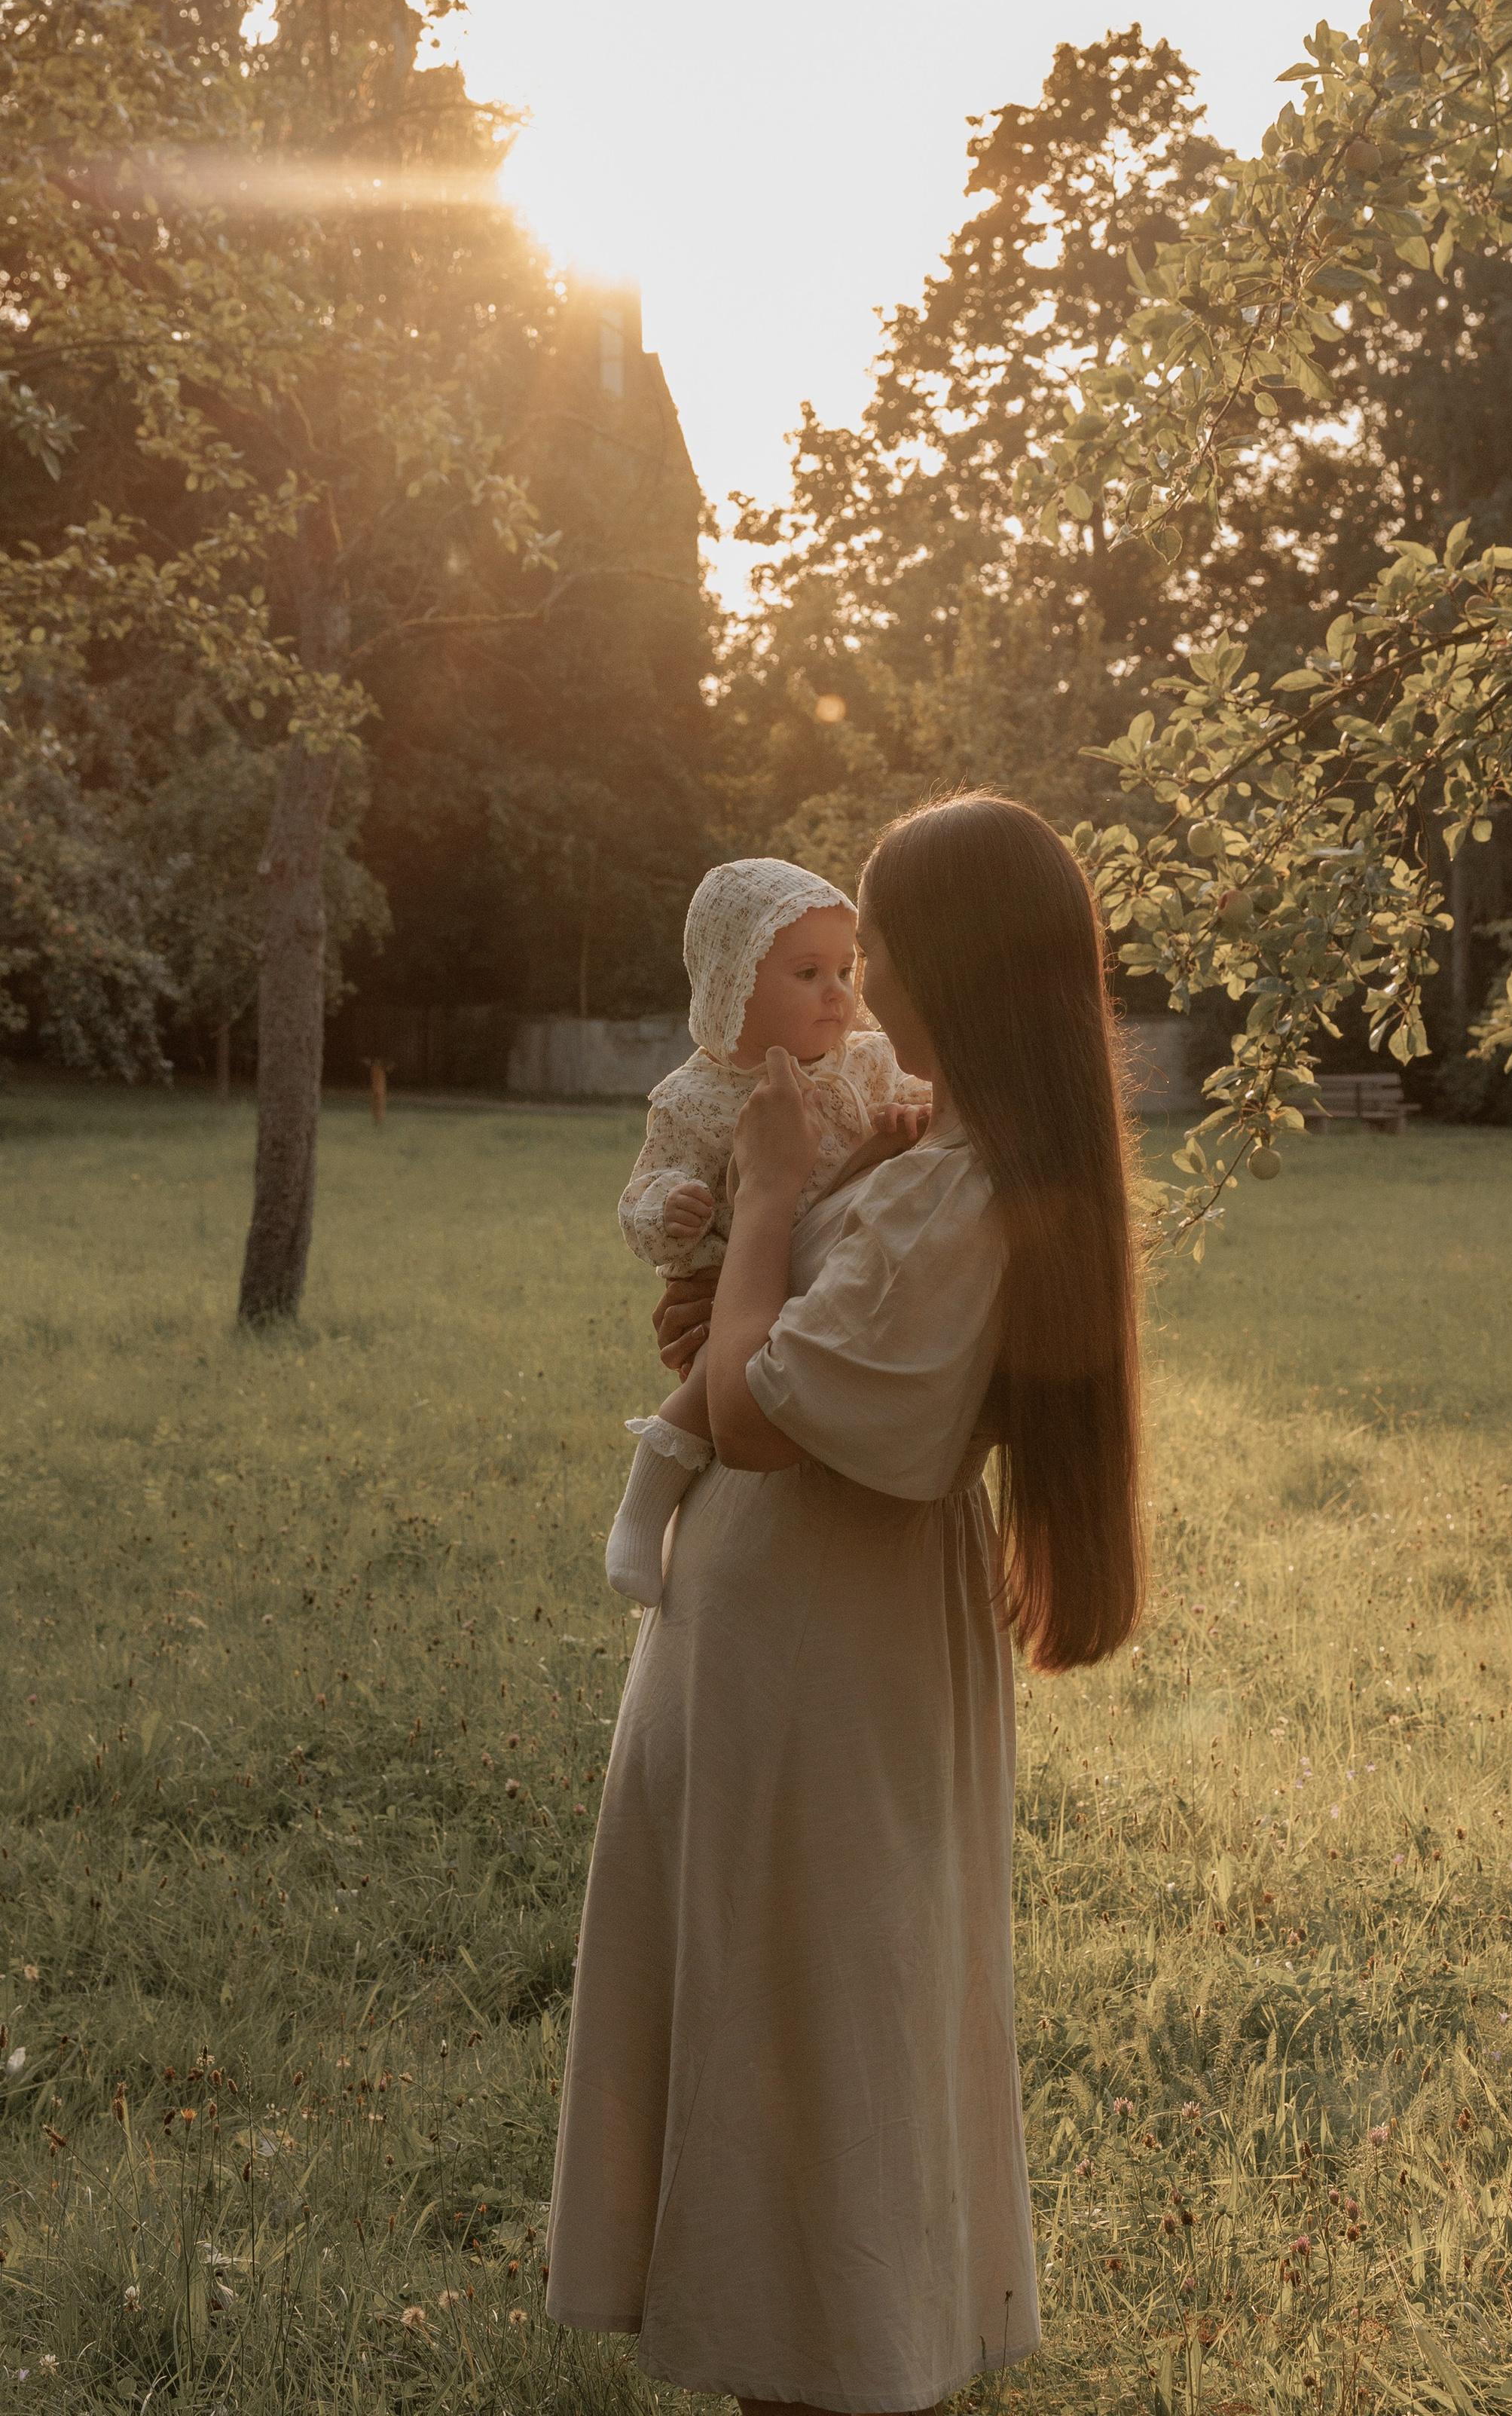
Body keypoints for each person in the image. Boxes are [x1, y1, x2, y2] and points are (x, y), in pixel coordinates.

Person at [546, 793, 1144, 2416]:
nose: (859, 987)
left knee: (815, 2040)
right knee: (794, 2026)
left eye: (878, 945)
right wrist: (738, 1299)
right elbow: (738, 1362)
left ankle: (815, 2365)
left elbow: (747, 1411)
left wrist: (754, 1213)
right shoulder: (945, 1153)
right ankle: (796, 2353)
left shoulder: (964, 1197)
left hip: (822, 1650)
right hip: (792, 1632)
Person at [606, 857, 928, 1604]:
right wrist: (672, 1205)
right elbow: (641, 1193)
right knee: (713, 1379)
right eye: (807, 972)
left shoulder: (871, 1062)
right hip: (739, 1288)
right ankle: (643, 1505)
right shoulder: (695, 1097)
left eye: (845, 971)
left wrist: (911, 1117)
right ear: (735, 980)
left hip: (836, 1279)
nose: (837, 994)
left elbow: (928, 1102)